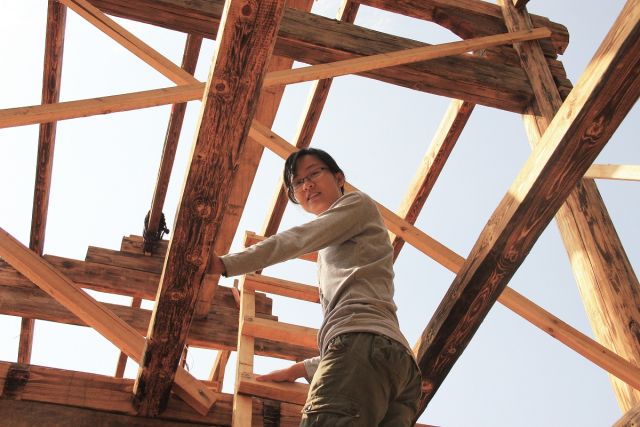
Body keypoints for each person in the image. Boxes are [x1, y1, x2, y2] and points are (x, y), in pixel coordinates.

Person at [209, 148, 421, 426]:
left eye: (313, 174)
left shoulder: (357, 203)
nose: (306, 185)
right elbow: (364, 322)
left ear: (339, 178)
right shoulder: (340, 243)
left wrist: (224, 264)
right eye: (297, 183)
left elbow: (299, 239)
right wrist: (302, 368)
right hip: (398, 367)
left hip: (365, 346)